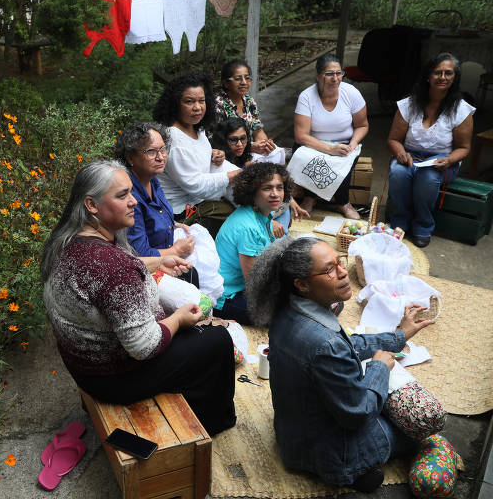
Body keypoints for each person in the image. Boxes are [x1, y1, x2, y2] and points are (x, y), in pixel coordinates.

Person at [41, 160, 236, 436]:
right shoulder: (113, 266)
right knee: (216, 341)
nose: (133, 201)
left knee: (187, 279)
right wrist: (179, 319)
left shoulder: (65, 241)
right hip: (114, 377)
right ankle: (213, 422)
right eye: (122, 195)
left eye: (131, 192)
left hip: (81, 362)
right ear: (91, 205)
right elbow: (144, 347)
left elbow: (103, 284)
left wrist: (155, 264)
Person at [245, 237, 433, 492]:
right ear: (302, 284)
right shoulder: (326, 343)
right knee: (422, 425)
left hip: (293, 438)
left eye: (339, 262)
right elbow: (357, 413)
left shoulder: (286, 311)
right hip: (333, 455)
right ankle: (353, 472)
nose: (343, 272)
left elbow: (346, 346)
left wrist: (398, 337)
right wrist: (379, 367)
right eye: (329, 269)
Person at [386, 53, 475, 248]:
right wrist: (400, 152)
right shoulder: (409, 104)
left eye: (448, 73)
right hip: (410, 155)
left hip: (443, 160)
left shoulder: (461, 110)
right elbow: (393, 139)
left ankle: (423, 226)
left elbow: (463, 148)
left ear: (454, 78)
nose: (442, 77)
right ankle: (399, 222)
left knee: (427, 177)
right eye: (437, 72)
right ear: (428, 76)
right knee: (399, 173)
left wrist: (450, 160)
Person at [153, 71, 242, 236]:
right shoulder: (173, 138)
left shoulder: (196, 129)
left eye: (202, 101)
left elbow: (194, 156)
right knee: (240, 218)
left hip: (199, 200)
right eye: (189, 101)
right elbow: (196, 185)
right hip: (182, 212)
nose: (197, 107)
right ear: (175, 104)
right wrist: (233, 175)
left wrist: (212, 153)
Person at [116, 122, 200, 287]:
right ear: (130, 157)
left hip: (165, 261)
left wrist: (172, 223)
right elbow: (140, 254)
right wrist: (176, 251)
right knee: (190, 277)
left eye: (162, 149)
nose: (160, 157)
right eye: (151, 151)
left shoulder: (152, 179)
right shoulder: (130, 196)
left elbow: (156, 215)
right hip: (144, 276)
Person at [213, 163, 293, 324]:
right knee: (289, 313)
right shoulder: (248, 227)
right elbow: (256, 282)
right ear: (252, 191)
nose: (275, 194)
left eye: (279, 187)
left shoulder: (262, 214)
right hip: (229, 297)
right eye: (267, 188)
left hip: (243, 288)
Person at [294, 53, 369, 219]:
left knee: (343, 159)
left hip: (344, 142)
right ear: (318, 75)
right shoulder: (306, 96)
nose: (335, 78)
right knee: (300, 153)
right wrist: (329, 149)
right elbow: (301, 135)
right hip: (314, 143)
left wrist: (353, 143)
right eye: (329, 74)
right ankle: (310, 197)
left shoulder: (351, 93)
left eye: (338, 73)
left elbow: (363, 125)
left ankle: (343, 202)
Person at [214, 58, 277, 155]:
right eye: (238, 78)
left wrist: (265, 145)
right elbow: (217, 143)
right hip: (227, 158)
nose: (244, 82)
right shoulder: (218, 105)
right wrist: (250, 147)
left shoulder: (249, 101)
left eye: (247, 78)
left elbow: (258, 130)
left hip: (249, 153)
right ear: (226, 83)